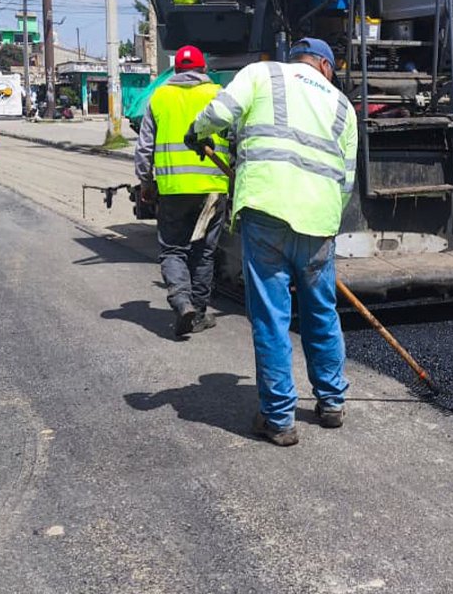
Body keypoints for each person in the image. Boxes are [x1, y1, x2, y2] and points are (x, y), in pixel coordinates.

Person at [187, 38, 357, 447]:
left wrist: (197, 132)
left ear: (296, 59)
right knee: (321, 312)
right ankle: (331, 402)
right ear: (326, 67)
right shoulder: (343, 106)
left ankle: (280, 419)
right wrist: (327, 219)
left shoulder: (262, 73)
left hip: (266, 210)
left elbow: (219, 113)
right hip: (318, 221)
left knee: (272, 316)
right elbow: (347, 180)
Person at [135, 45, 230, 338]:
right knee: (204, 253)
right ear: (203, 70)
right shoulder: (218, 95)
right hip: (213, 189)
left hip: (174, 189)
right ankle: (199, 313)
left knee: (173, 250)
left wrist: (145, 182)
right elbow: (238, 139)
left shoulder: (159, 97)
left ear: (175, 71)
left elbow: (145, 146)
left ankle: (181, 301)